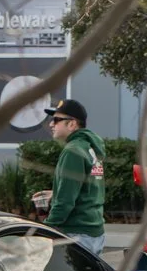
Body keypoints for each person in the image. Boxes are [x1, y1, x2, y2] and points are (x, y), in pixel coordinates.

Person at [32, 98, 106, 255]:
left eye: (57, 120)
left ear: (72, 124)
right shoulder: (88, 147)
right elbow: (90, 187)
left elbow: (65, 203)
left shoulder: (73, 151)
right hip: (93, 232)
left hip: (76, 235)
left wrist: (46, 229)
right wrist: (55, 193)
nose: (51, 124)